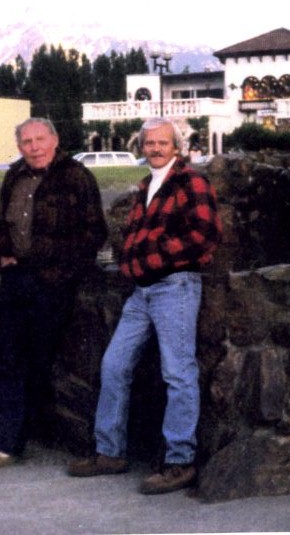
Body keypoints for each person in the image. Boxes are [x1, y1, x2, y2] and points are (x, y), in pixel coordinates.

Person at [67, 117, 221, 495]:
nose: (155, 148)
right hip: (142, 292)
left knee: (178, 373)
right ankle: (110, 452)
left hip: (175, 287)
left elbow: (204, 235)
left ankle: (179, 461)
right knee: (114, 365)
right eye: (149, 143)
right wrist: (130, 266)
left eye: (162, 143)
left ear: (176, 147)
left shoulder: (192, 182)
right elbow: (134, 237)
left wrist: (152, 261)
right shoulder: (145, 185)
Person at [0, 117, 107, 472]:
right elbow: (2, 223)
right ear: (19, 147)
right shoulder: (14, 175)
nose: (34, 147)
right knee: (8, 357)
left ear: (55, 140)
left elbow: (94, 233)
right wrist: (4, 254)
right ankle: (1, 444)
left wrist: (62, 272)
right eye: (26, 142)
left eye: (40, 140)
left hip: (54, 282)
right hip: (16, 278)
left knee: (38, 359)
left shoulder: (76, 177)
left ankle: (27, 434)